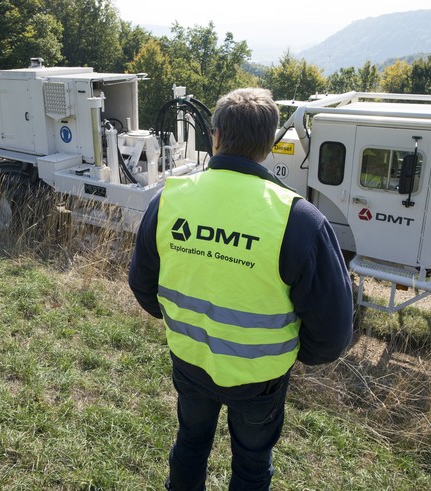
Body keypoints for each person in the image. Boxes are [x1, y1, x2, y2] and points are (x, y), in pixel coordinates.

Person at [128, 88, 354, 490]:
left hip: (191, 362)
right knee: (251, 465)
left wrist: (184, 324)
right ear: (268, 147)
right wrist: (284, 353)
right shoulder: (298, 220)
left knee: (191, 445)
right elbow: (333, 333)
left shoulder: (170, 201)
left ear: (214, 136)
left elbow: (142, 285)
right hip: (260, 380)